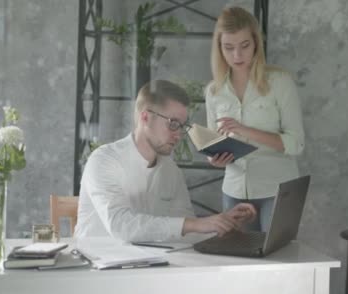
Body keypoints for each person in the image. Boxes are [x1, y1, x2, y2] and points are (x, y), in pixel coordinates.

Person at [74, 80, 256, 242]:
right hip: (95, 269)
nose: (178, 134)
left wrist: (222, 223)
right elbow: (121, 226)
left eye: (181, 126)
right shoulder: (104, 160)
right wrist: (197, 224)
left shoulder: (171, 170)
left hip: (147, 269)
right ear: (145, 117)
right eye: (172, 123)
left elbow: (186, 232)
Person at [205, 7, 305, 232]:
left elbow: (296, 143)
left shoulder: (280, 82)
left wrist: (244, 130)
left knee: (277, 264)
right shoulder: (214, 91)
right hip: (233, 191)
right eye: (228, 48)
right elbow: (213, 144)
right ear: (219, 48)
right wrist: (215, 160)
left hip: (277, 190)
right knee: (239, 264)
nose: (237, 56)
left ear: (256, 44)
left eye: (244, 46)